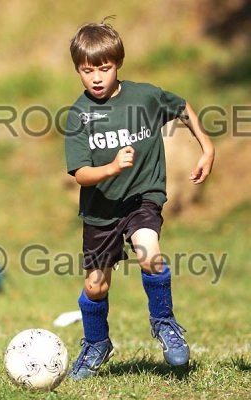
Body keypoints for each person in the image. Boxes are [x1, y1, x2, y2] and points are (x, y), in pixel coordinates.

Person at [65, 18, 215, 380]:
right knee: (95, 285)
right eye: (88, 71)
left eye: (105, 68)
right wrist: (111, 168)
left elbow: (182, 106)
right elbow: (80, 173)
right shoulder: (79, 116)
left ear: (118, 64)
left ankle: (165, 324)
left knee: (149, 250)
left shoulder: (144, 96)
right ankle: (97, 343)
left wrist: (207, 146)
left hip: (142, 199)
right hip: (101, 208)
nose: (97, 78)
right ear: (78, 71)